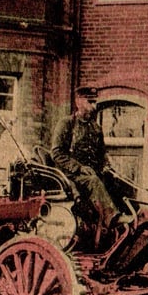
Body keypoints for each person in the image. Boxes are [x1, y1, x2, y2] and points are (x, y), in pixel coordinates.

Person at [51, 86, 127, 232]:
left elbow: (101, 154)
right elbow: (57, 153)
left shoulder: (96, 129)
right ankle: (112, 218)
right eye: (90, 102)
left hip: (92, 173)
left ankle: (129, 217)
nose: (94, 106)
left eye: (95, 102)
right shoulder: (66, 124)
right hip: (71, 176)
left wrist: (106, 165)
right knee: (93, 181)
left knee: (115, 182)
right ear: (78, 102)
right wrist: (79, 167)